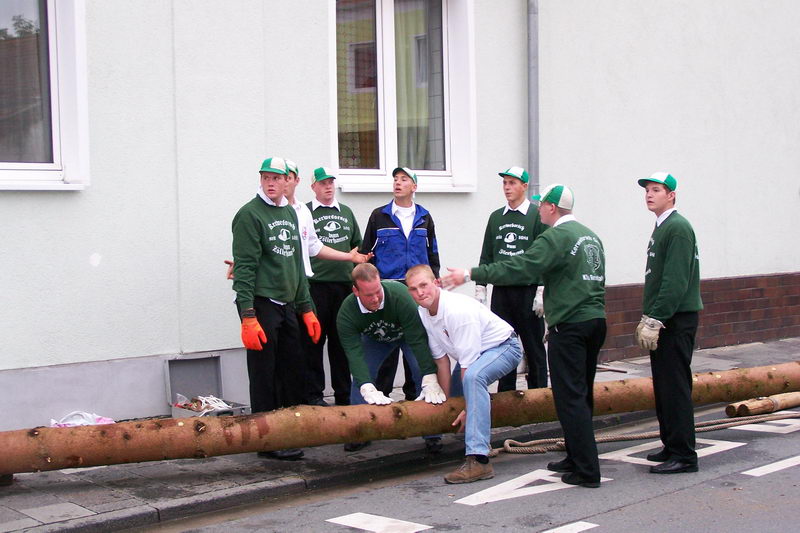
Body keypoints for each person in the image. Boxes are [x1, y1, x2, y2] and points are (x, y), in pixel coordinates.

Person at [443, 184, 606, 488]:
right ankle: (576, 455)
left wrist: (470, 274)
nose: (538, 208)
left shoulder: (556, 236)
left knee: (570, 398)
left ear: (552, 208)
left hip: (569, 326)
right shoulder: (589, 235)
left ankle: (587, 470)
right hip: (594, 321)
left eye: (542, 204)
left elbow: (521, 267)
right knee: (582, 393)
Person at [231, 156, 322, 461]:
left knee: (292, 369)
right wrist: (247, 315)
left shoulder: (291, 213)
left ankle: (289, 429)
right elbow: (244, 268)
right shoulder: (250, 215)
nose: (271, 183)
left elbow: (296, 264)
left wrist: (306, 307)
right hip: (262, 303)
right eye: (265, 177)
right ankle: (265, 438)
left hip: (288, 304)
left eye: (277, 178)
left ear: (288, 181)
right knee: (264, 373)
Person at [406, 265, 522, 484]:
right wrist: (444, 403)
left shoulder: (456, 311)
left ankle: (479, 460)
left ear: (436, 283)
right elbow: (441, 361)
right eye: (413, 289)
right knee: (464, 391)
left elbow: (469, 368)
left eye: (424, 285)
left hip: (504, 347)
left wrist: (469, 409)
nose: (420, 293)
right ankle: (474, 439)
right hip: (473, 355)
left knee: (473, 379)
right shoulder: (424, 312)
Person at [634, 172, 703, 474]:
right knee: (663, 386)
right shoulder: (662, 226)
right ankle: (671, 444)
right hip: (664, 318)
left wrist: (656, 319)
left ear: (672, 195)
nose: (649, 194)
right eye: (647, 190)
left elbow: (675, 282)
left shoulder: (677, 228)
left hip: (675, 319)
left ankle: (684, 455)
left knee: (674, 387)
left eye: (656, 190)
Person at [337, 263, 445, 453]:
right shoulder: (347, 313)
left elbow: (418, 339)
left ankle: (432, 432)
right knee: (362, 379)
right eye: (368, 295)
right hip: (377, 339)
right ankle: (360, 432)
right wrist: (365, 384)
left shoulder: (400, 296)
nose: (375, 298)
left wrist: (429, 373)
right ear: (355, 291)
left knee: (421, 373)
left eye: (378, 291)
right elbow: (354, 354)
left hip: (407, 336)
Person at [360, 167, 440, 401]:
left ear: (414, 187)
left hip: (417, 292)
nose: (398, 183)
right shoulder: (379, 216)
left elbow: (432, 253)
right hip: (387, 293)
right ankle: (382, 397)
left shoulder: (424, 217)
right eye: (395, 179)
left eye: (404, 179)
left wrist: (434, 282)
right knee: (386, 345)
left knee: (416, 348)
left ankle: (415, 397)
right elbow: (367, 253)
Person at [477, 166, 548, 390]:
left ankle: (539, 395)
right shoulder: (496, 217)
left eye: (512, 183)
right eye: (505, 183)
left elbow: (545, 254)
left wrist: (542, 290)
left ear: (524, 186)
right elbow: (487, 253)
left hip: (527, 291)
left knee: (533, 345)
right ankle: (505, 395)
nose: (507, 187)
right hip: (502, 291)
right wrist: (481, 287)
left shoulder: (536, 216)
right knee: (502, 345)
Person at [305, 166, 367, 406]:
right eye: (322, 183)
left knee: (341, 342)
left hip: (343, 287)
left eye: (331, 182)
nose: (328, 186)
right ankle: (314, 395)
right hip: (316, 286)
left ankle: (343, 395)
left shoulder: (347, 212)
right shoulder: (305, 212)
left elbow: (357, 247)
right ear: (313, 187)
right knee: (314, 341)